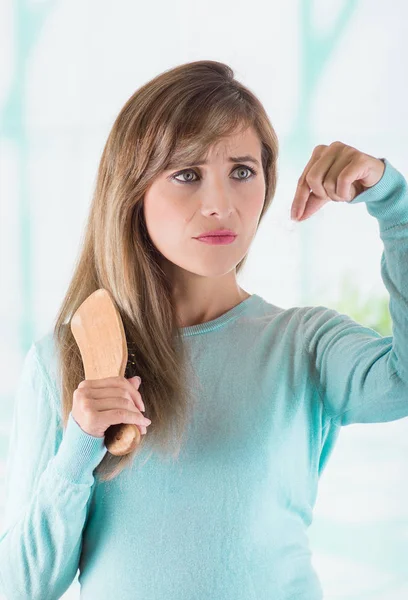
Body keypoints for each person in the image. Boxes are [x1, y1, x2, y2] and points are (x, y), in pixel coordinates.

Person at [1, 59, 408, 600]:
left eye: (242, 171)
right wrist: (79, 448)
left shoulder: (303, 345)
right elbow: (22, 586)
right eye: (187, 174)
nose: (220, 205)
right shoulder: (61, 362)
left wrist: (394, 205)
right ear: (132, 191)